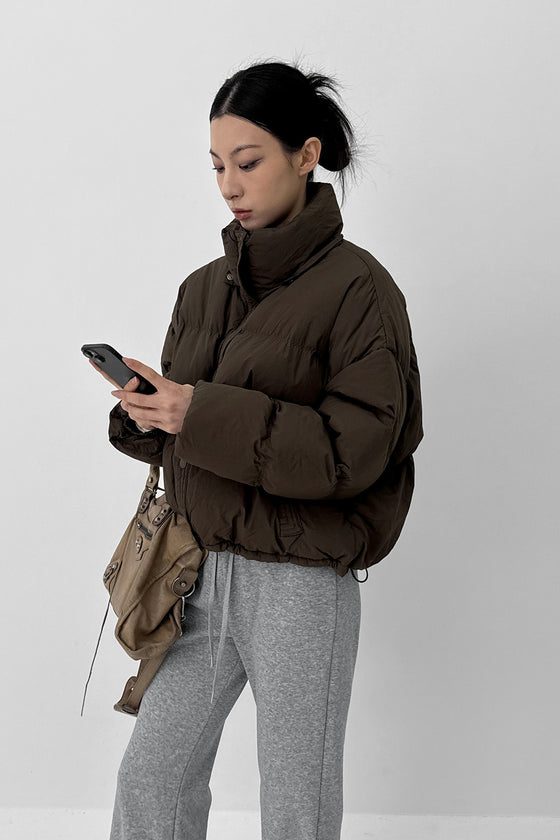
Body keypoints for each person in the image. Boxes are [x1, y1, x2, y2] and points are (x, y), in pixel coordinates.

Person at [92, 59, 423, 840]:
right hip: (199, 573)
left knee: (295, 803)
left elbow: (350, 454)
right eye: (216, 166)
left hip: (301, 583)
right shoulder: (202, 288)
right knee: (151, 779)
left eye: (247, 162)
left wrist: (199, 411)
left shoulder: (362, 291)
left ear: (307, 155)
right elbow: (199, 439)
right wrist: (151, 415)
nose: (229, 186)